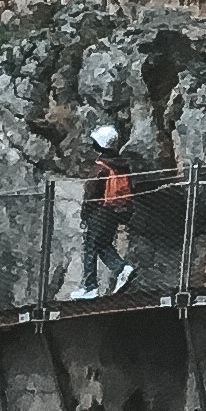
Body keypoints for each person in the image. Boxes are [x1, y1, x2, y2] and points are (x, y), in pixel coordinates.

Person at [76, 126, 137, 299]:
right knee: (102, 244)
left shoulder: (101, 167)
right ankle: (121, 268)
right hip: (116, 211)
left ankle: (90, 286)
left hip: (99, 211)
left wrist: (84, 213)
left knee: (90, 246)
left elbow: (91, 193)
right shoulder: (122, 165)